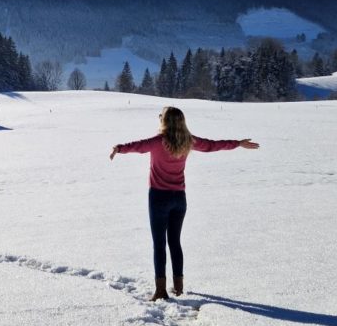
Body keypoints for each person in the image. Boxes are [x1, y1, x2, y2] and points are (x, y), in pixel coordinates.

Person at [110, 106, 259, 301]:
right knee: (174, 242)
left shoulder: (158, 141)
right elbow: (213, 145)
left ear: (165, 121)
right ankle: (178, 287)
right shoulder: (188, 141)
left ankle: (161, 290)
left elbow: (137, 146)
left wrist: (119, 148)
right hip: (179, 199)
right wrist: (238, 143)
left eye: (160, 116)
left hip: (158, 198)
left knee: (159, 244)